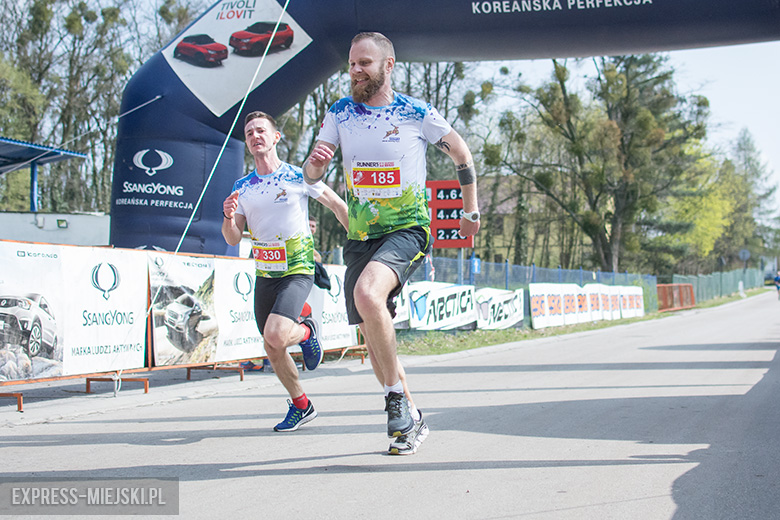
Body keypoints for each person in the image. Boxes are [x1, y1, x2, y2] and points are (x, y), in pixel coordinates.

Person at [302, 32, 481, 455]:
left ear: (388, 65)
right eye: (351, 64)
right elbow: (311, 174)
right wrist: (315, 167)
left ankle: (394, 398)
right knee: (370, 329)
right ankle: (411, 417)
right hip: (361, 236)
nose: (355, 71)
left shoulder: (416, 112)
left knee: (368, 294)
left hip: (407, 229)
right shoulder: (340, 113)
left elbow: (461, 154)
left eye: (364, 62)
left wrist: (470, 212)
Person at [223, 111, 348, 432]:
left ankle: (306, 330)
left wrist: (362, 244)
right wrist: (228, 217)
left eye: (261, 130)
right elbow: (233, 238)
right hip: (266, 273)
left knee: (277, 334)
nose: (255, 136)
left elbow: (338, 206)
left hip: (298, 268)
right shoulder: (242, 187)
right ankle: (302, 405)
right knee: (272, 346)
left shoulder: (297, 176)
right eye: (249, 133)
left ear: (276, 137)